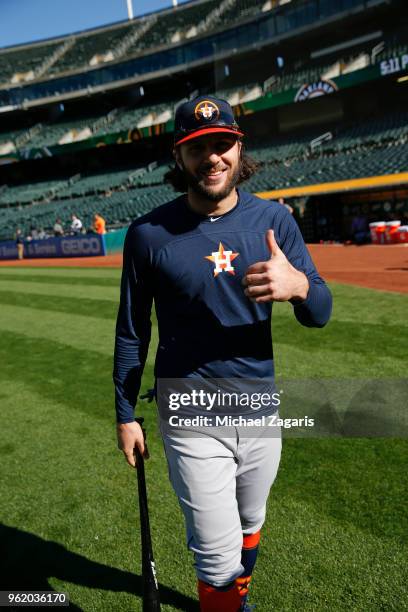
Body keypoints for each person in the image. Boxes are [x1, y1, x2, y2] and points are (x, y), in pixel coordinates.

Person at [113, 95, 332, 612]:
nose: (211, 157)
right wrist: (125, 414)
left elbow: (318, 312)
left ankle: (239, 597)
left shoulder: (276, 222)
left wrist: (300, 285)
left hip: (259, 407)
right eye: (197, 149)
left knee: (249, 525)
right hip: (190, 413)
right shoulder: (148, 235)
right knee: (215, 557)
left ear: (238, 148)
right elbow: (131, 332)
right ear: (179, 158)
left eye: (221, 145)